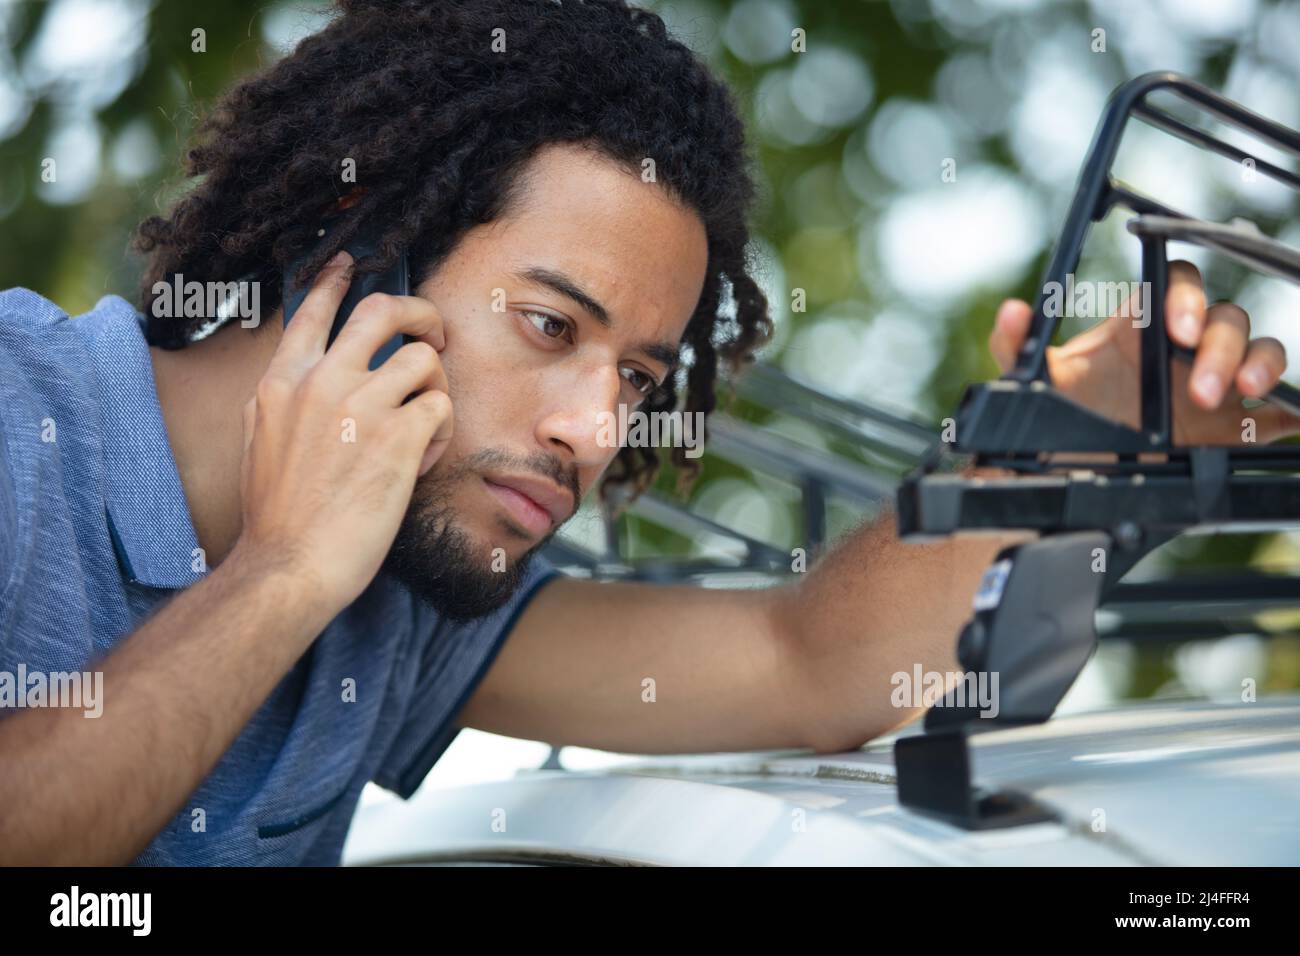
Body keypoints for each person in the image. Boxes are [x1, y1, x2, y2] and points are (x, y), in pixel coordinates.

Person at [1, 0, 1292, 865]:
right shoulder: (21, 409)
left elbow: (809, 667)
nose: (594, 431)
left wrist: (1078, 429)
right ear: (356, 254)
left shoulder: (405, 584)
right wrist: (279, 576)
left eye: (639, 377)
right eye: (553, 330)